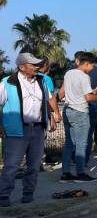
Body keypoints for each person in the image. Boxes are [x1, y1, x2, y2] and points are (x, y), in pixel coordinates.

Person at [0, 53, 58, 207]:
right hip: (16, 130)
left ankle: (28, 193)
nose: (36, 67)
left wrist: (51, 117)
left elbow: (47, 101)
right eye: (32, 64)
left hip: (38, 129)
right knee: (12, 165)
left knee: (33, 164)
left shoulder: (41, 81)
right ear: (21, 67)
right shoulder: (7, 82)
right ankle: (3, 195)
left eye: (37, 64)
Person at [59, 53, 97, 183]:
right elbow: (89, 98)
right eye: (92, 65)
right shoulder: (84, 77)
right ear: (87, 63)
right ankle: (80, 174)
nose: (92, 69)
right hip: (80, 111)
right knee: (82, 144)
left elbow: (62, 92)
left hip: (67, 110)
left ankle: (65, 174)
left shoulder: (69, 73)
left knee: (69, 143)